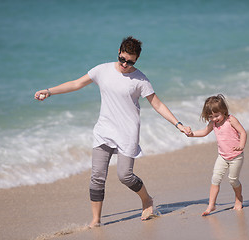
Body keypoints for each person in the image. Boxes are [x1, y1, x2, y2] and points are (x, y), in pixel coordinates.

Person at [34, 36, 191, 227]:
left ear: (136, 60)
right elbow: (76, 84)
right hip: (104, 130)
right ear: (119, 52)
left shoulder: (140, 80)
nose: (125, 64)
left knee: (125, 176)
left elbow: (157, 104)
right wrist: (49, 91)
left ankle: (147, 200)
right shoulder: (102, 70)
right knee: (97, 176)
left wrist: (178, 124)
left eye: (130, 61)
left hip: (127, 133)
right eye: (122, 59)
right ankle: (96, 219)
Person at [187, 94, 247, 216]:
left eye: (216, 115)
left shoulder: (231, 120)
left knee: (233, 180)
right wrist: (191, 134)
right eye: (211, 116)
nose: (214, 119)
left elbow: (243, 132)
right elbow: (204, 132)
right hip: (222, 157)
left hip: (236, 156)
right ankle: (211, 205)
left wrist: (241, 145)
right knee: (215, 179)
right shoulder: (213, 124)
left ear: (224, 111)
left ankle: (238, 198)